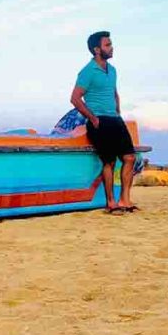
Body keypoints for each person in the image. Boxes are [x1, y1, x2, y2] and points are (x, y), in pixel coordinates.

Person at [70, 31, 138, 214]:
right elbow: (75, 98)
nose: (111, 47)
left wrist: (118, 111)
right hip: (99, 121)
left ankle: (125, 200)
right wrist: (92, 118)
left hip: (116, 120)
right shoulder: (87, 72)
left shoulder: (113, 70)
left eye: (111, 44)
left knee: (130, 158)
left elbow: (114, 92)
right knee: (108, 162)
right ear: (96, 49)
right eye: (107, 45)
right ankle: (111, 203)